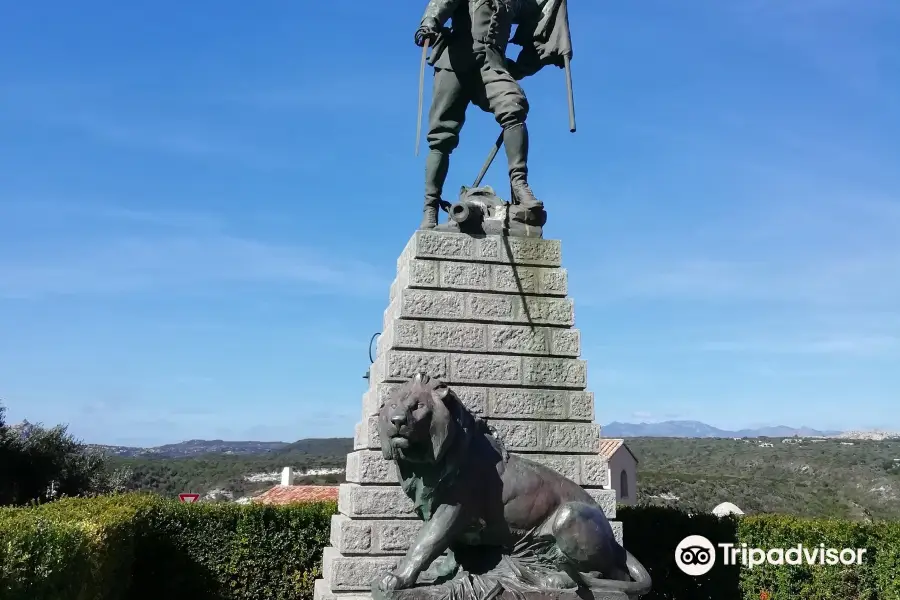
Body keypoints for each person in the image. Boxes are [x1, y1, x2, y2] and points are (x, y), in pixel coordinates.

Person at [415, 0, 556, 230]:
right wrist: (431, 21)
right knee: (441, 135)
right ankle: (430, 207)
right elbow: (443, 2)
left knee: (513, 105)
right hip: (456, 62)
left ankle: (519, 184)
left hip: (491, 64)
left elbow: (538, 11)